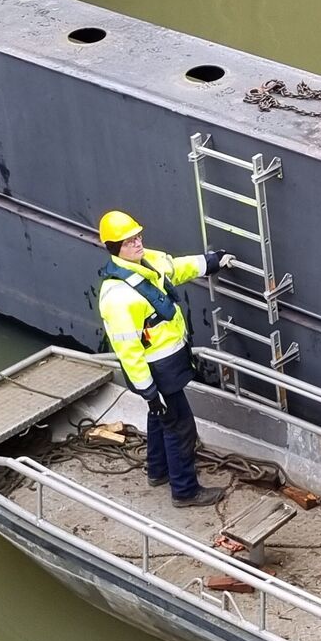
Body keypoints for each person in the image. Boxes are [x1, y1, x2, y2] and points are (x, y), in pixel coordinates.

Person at [95, 210, 233, 508]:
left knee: (160, 416)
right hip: (157, 371)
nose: (137, 243)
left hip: (170, 361)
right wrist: (148, 390)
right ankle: (185, 491)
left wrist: (210, 262)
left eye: (137, 237)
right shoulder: (118, 297)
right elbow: (128, 351)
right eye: (129, 241)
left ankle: (158, 472)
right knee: (181, 427)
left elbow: (175, 267)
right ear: (113, 247)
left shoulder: (147, 263)